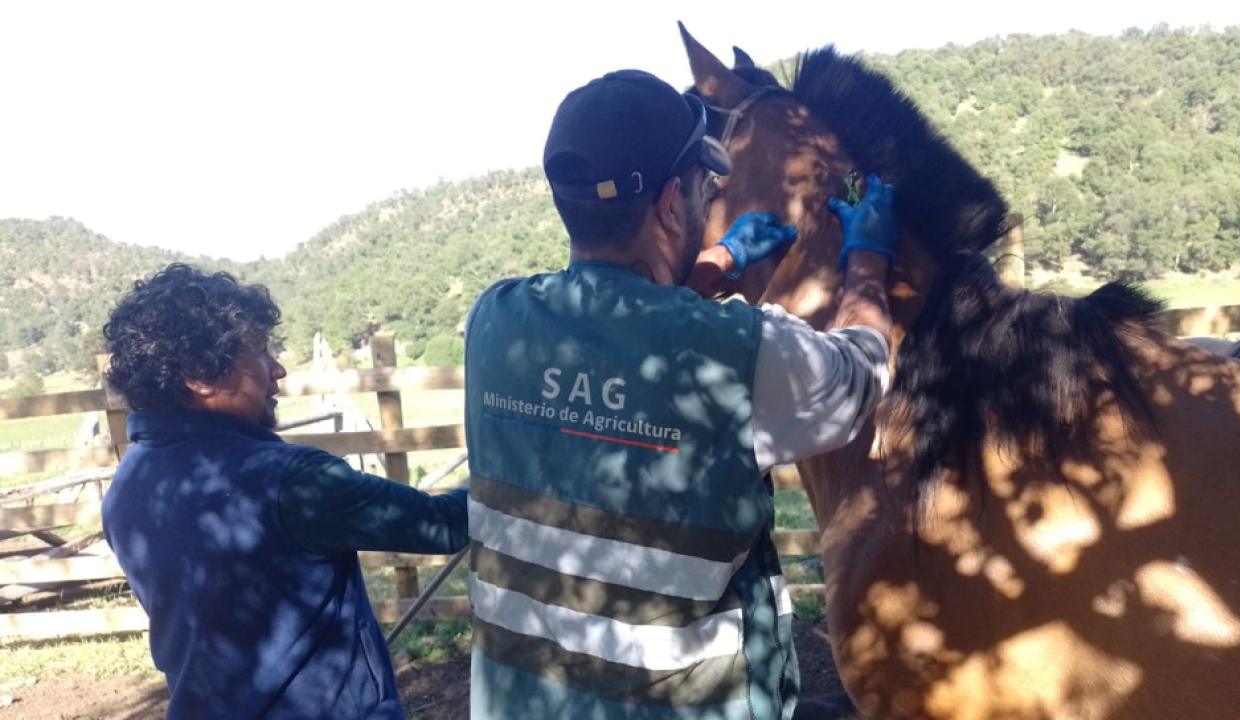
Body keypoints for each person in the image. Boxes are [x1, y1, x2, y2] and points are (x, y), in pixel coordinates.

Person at [462, 70, 897, 720]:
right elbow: (862, 371)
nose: (707, 197)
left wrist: (715, 262)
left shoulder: (492, 323)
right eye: (703, 186)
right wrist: (868, 258)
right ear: (671, 203)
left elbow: (619, 342)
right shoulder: (741, 352)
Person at [99, 263, 470, 720]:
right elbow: (446, 524)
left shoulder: (127, 485)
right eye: (259, 353)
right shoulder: (292, 480)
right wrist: (510, 460)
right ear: (199, 374)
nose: (278, 369)